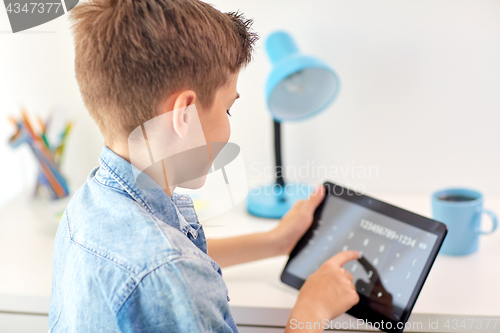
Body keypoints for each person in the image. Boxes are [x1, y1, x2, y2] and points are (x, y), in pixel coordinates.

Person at [49, 0, 360, 332]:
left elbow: (166, 260)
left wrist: (276, 241)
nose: (228, 126)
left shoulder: (88, 205)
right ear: (184, 115)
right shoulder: (171, 272)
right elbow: (170, 270)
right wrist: (310, 311)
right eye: (228, 109)